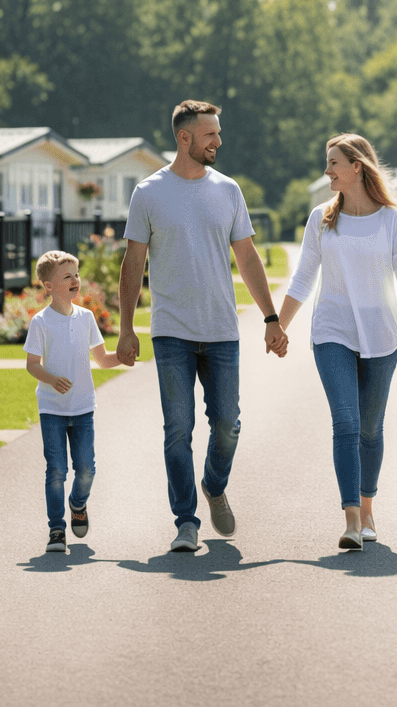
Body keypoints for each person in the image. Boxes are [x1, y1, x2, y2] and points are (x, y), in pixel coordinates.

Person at [117, 99, 288, 554]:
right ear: (184, 137)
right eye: (210, 134)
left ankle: (213, 484)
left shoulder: (228, 190)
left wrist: (271, 318)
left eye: (218, 132)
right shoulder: (149, 193)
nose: (218, 141)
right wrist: (126, 328)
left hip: (221, 330)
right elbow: (132, 263)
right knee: (178, 428)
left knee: (228, 424)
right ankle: (186, 522)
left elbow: (247, 257)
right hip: (171, 330)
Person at [278, 134, 397, 550]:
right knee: (347, 422)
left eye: (333, 162)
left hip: (381, 335)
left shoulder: (390, 220)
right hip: (332, 331)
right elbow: (303, 278)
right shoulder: (322, 218)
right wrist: (278, 325)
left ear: (357, 166)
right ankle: (351, 520)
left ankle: (368, 507)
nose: (327, 171)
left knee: (371, 430)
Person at [24, 250, 125, 553]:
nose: (75, 280)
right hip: (52, 408)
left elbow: (102, 359)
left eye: (76, 274)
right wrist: (52, 379)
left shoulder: (86, 318)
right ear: (48, 286)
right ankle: (56, 530)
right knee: (56, 470)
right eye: (67, 276)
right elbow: (32, 364)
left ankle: (78, 504)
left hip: (82, 407)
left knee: (86, 469)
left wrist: (123, 357)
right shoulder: (41, 322)